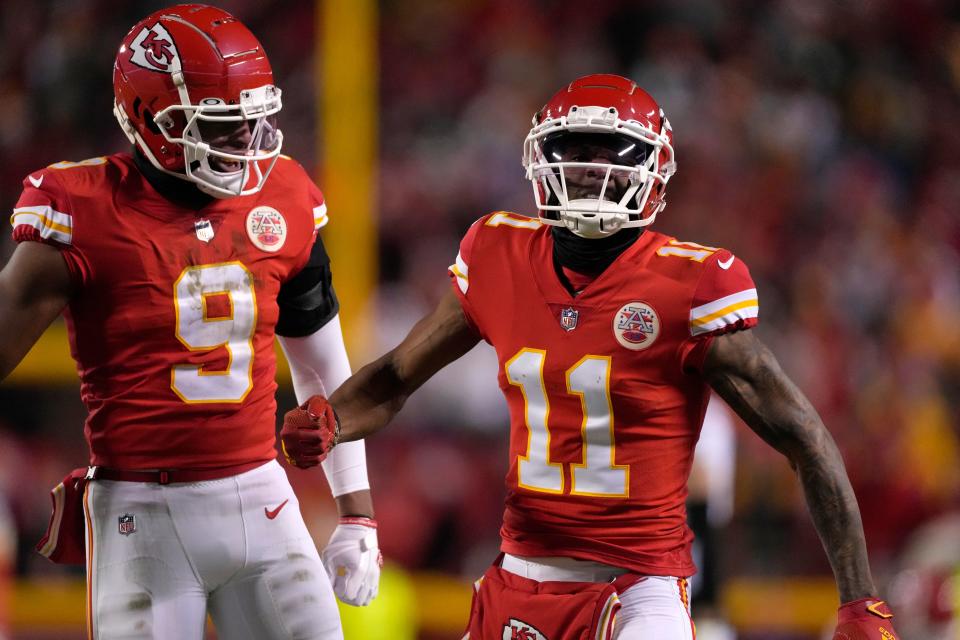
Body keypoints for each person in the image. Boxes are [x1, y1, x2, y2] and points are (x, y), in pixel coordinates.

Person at [281, 74, 900, 639]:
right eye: (575, 150)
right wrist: (332, 419)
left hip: (638, 590)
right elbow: (394, 377)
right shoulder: (498, 253)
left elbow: (803, 437)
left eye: (610, 153)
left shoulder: (691, 285)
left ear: (653, 168)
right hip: (517, 577)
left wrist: (859, 600)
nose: (588, 170)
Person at [0, 5, 379, 639]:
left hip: (263, 494)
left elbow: (321, 364)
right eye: (222, 126)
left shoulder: (282, 195)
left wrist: (357, 512)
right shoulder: (81, 210)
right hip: (139, 512)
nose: (246, 144)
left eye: (252, 122)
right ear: (152, 119)